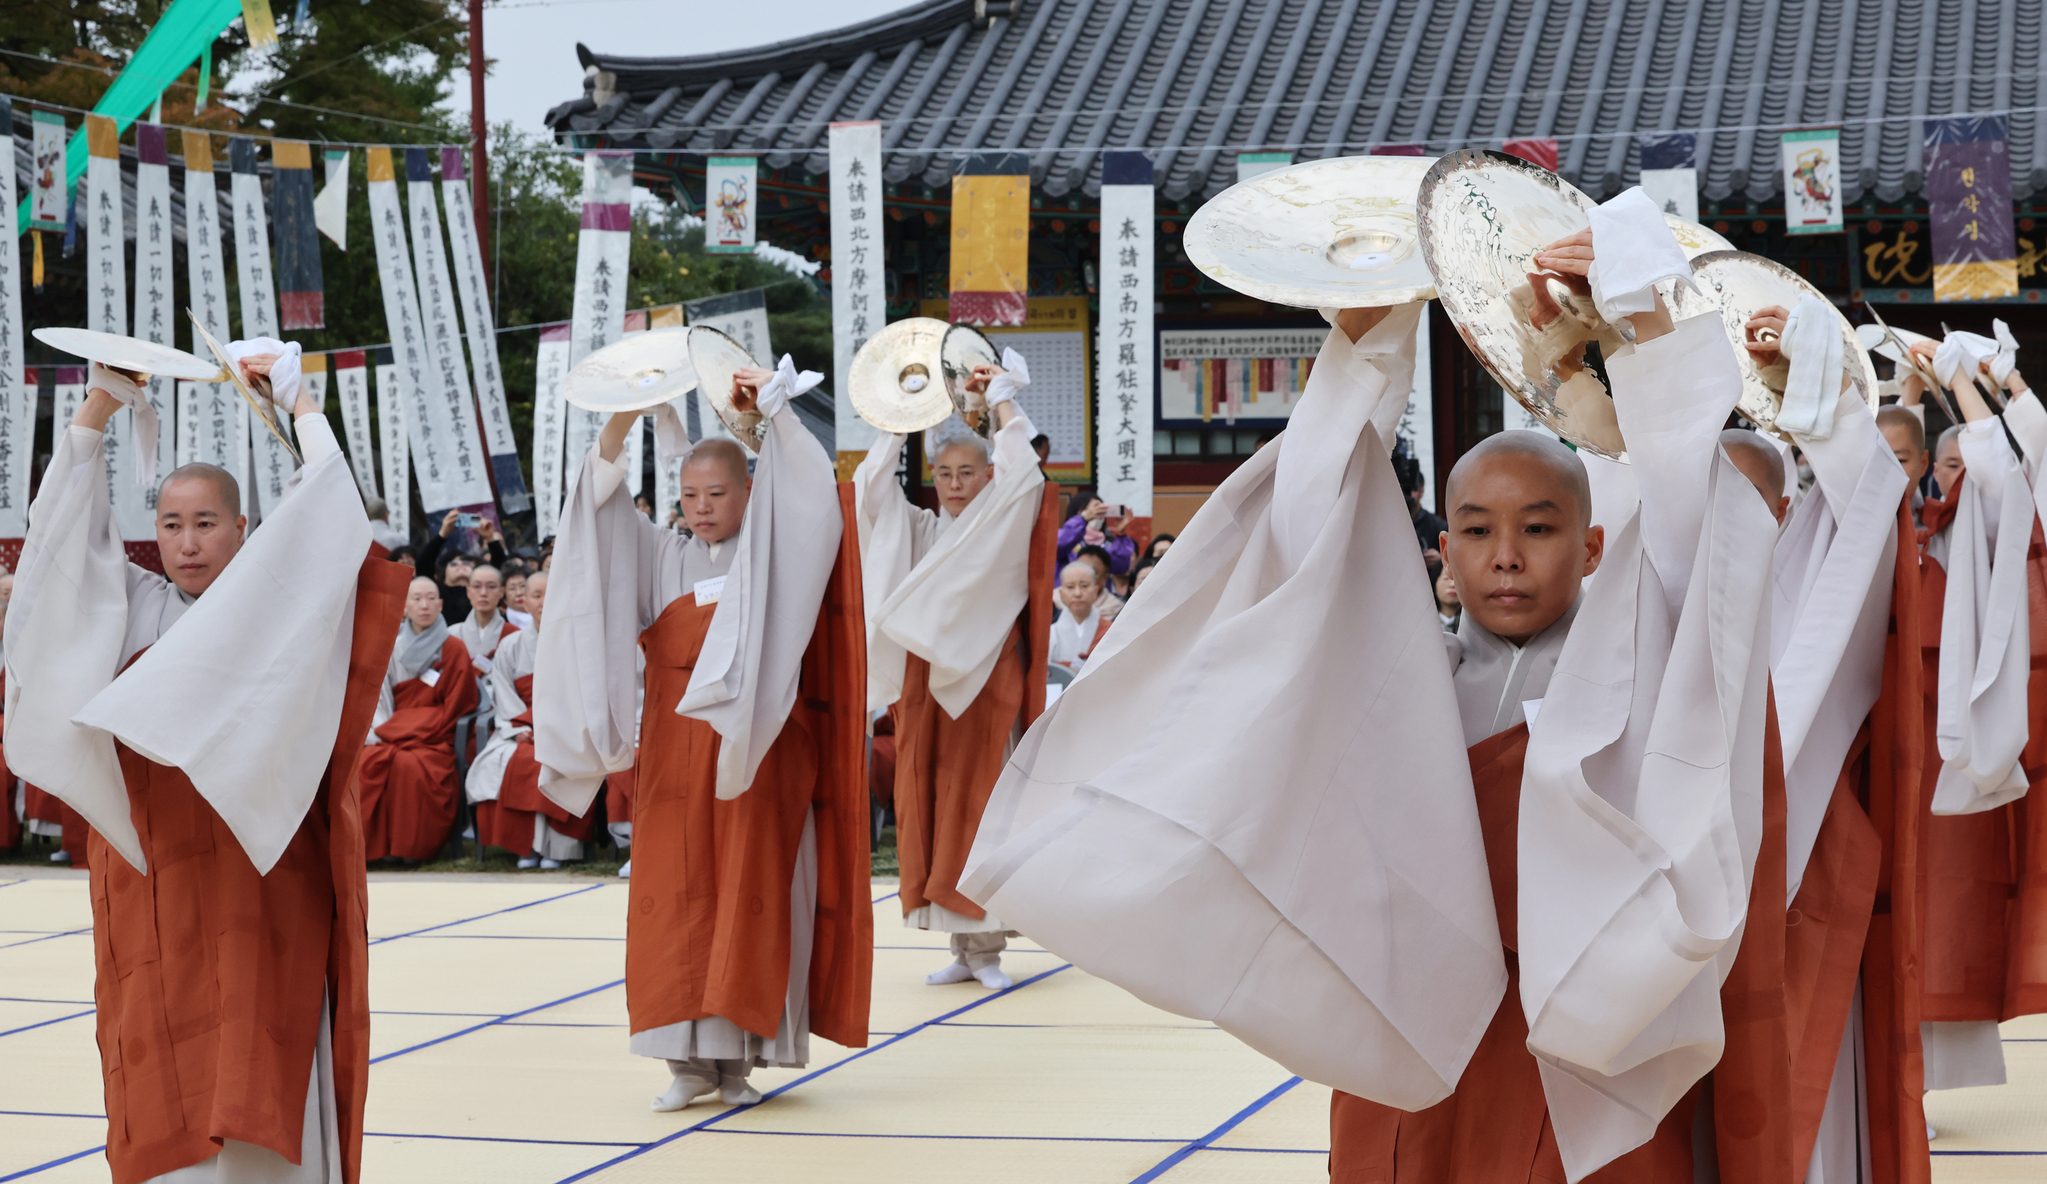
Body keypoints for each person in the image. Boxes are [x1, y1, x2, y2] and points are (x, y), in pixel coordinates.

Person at [961, 196, 1791, 1182]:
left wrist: (1648, 331)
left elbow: (1705, 550)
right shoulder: (1402, 674)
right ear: (1442, 551)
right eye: (1477, 529)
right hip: (1412, 1031)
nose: (1506, 557)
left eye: (1538, 527)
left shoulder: (1632, 672)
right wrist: (1360, 349)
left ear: (1593, 543)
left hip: (1583, 1034)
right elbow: (1308, 534)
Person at [5, 342, 406, 1183]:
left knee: (259, 1020)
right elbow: (56, 546)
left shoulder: (273, 599)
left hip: (256, 865)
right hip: (149, 864)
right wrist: (96, 412)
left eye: (207, 523)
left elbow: (334, 532)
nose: (188, 543)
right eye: (171, 525)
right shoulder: (129, 607)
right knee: (154, 1025)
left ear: (243, 527)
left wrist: (298, 411)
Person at [535, 356, 871, 1111]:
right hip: (676, 753)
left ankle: (738, 1058)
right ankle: (682, 1063)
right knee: (673, 895)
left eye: (717, 493)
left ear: (750, 492)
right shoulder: (663, 554)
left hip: (755, 752)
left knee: (748, 888)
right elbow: (595, 516)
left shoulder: (771, 555)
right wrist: (620, 418)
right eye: (688, 495)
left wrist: (775, 412)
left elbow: (814, 499)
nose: (701, 508)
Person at [856, 348, 1061, 991]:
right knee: (931, 804)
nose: (952, 483)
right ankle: (959, 942)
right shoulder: (921, 530)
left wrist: (1001, 401)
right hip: (925, 686)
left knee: (982, 806)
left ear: (986, 474)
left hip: (985, 684)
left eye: (966, 471)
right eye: (942, 472)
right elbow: (869, 499)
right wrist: (896, 419)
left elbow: (1024, 474)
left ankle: (990, 944)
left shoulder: (1003, 519)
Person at [466, 572, 592, 868]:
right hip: (521, 729)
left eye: (552, 595)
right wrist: (519, 728)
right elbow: (505, 694)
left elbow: (586, 694)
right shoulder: (511, 645)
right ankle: (526, 847)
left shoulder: (581, 642)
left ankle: (555, 849)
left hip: (568, 729)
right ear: (524, 601)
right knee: (515, 761)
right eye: (537, 595)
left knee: (554, 761)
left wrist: (557, 728)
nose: (544, 603)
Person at [356, 577, 479, 863]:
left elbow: (459, 704)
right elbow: (380, 698)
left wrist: (416, 729)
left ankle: (411, 848)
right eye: (416, 599)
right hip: (396, 732)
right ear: (404, 606)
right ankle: (375, 849)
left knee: (410, 766)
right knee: (369, 763)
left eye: (431, 598)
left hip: (434, 738)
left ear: (441, 604)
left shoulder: (453, 648)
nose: (424, 605)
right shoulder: (391, 646)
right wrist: (383, 731)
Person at [418, 509, 508, 623]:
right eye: (453, 564)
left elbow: (501, 569)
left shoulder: (484, 592)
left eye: (466, 562)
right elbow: (423, 564)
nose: (460, 564)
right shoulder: (438, 593)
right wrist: (443, 534)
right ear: (444, 574)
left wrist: (490, 537)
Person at [1048, 561, 1111, 675]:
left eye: (1084, 586)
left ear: (1096, 590)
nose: (1077, 593)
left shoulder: (1109, 631)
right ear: (1061, 593)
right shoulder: (1050, 633)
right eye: (1070, 587)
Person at [1056, 493, 1136, 577]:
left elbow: (1121, 568)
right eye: (1092, 510)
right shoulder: (1065, 538)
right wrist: (1083, 519)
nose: (1096, 515)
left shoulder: (1106, 544)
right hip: (1067, 588)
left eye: (1100, 510)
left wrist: (1121, 535)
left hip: (1097, 589)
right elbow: (1058, 546)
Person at [1429, 558, 1458, 629]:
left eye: (1457, 579)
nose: (1452, 584)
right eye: (1446, 578)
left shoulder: (1477, 625)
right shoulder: (1425, 623)